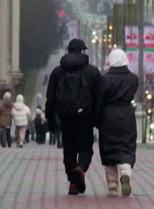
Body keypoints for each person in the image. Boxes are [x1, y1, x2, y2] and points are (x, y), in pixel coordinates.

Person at [46, 38, 102, 195]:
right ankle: (80, 169)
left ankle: (73, 184)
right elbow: (99, 97)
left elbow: (50, 97)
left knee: (69, 150)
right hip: (85, 117)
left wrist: (51, 119)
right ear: (82, 51)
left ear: (68, 50)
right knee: (85, 149)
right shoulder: (92, 72)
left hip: (65, 117)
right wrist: (98, 119)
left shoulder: (58, 72)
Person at [95, 49, 138, 197]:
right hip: (127, 116)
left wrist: (96, 119)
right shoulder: (133, 79)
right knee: (126, 146)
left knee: (109, 149)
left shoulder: (105, 79)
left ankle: (112, 185)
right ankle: (126, 172)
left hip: (108, 117)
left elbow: (99, 100)